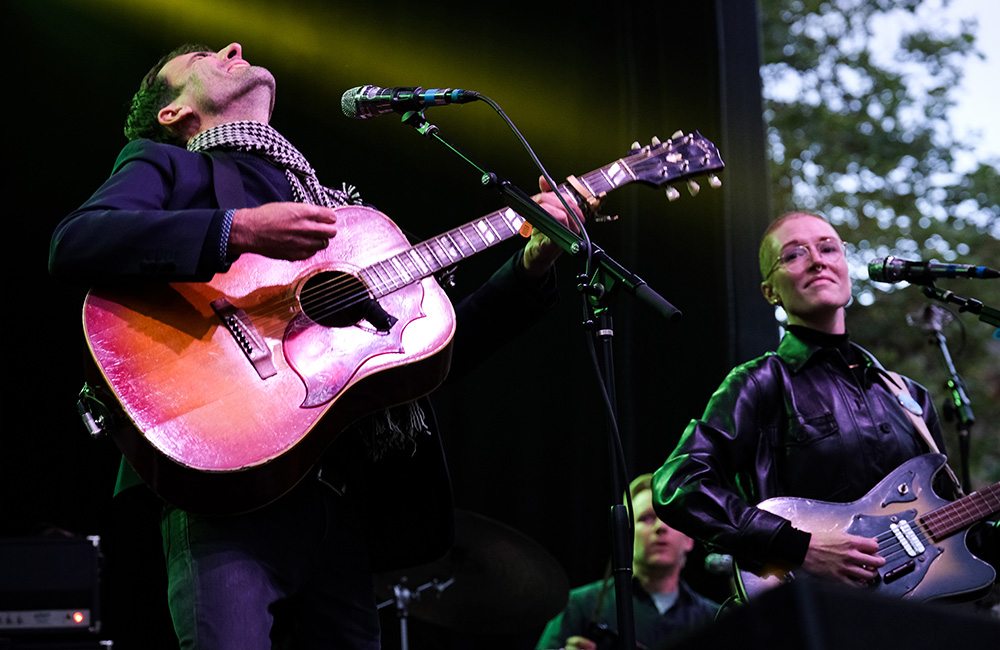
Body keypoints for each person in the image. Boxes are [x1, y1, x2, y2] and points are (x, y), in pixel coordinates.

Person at [49, 42, 580, 649]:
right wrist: (238, 228)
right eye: (202, 55)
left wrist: (531, 264)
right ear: (172, 114)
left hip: (340, 499)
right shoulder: (171, 165)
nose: (233, 47)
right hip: (227, 482)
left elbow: (421, 359)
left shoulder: (334, 211)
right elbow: (77, 242)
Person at [652, 211, 998, 596]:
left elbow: (956, 535)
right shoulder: (759, 382)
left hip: (912, 622)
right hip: (807, 613)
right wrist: (797, 547)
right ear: (771, 291)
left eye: (828, 248)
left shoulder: (909, 397)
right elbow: (679, 484)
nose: (817, 259)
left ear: (844, 265)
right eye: (795, 254)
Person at [536, 474, 719, 650]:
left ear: (689, 538)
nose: (660, 527)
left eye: (669, 519)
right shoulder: (579, 605)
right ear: (625, 536)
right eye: (646, 518)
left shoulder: (715, 617)